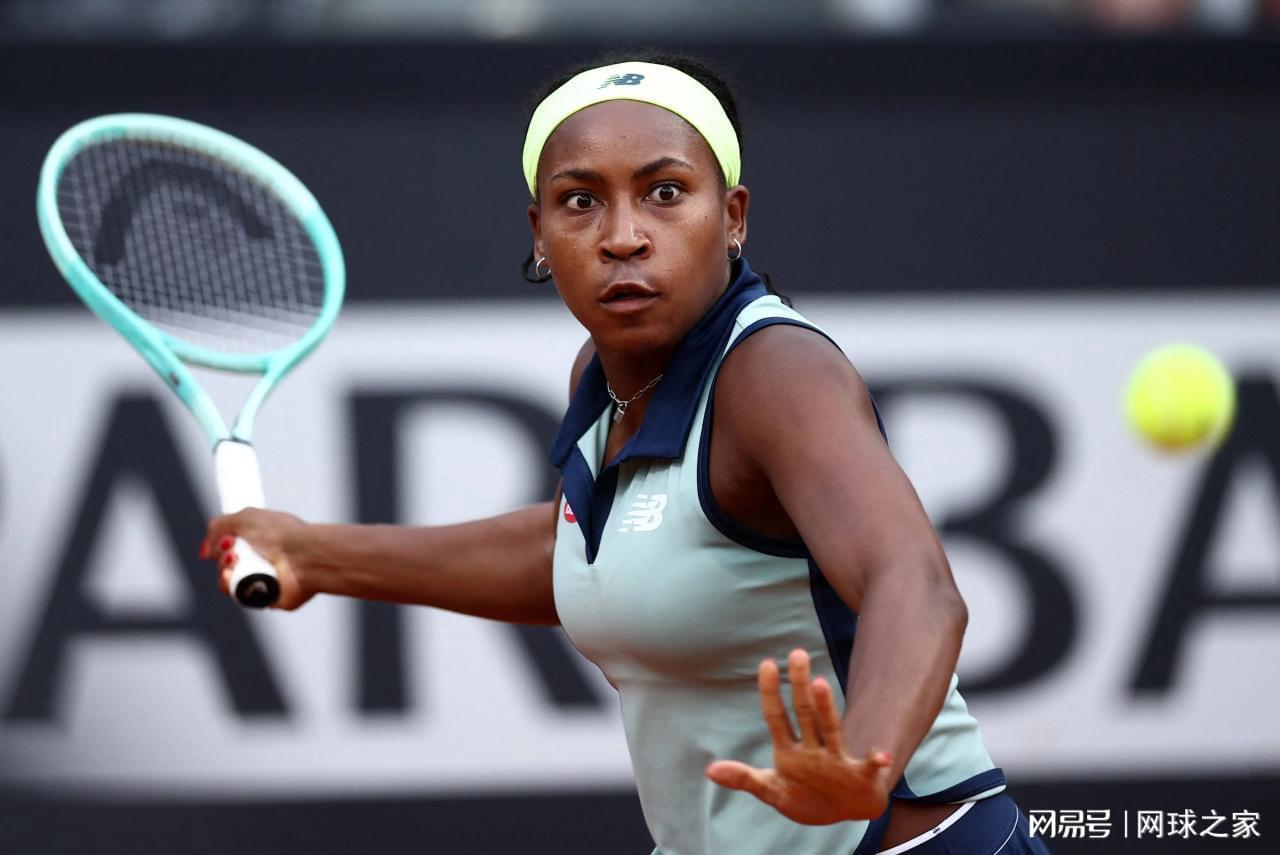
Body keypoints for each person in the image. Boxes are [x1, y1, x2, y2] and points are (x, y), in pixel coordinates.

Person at [203, 52, 1050, 855]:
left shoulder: (776, 373)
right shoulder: (602, 377)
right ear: (540, 233)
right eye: (581, 201)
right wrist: (316, 552)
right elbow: (591, 550)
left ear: (733, 217)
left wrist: (863, 759)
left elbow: (914, 581)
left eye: (665, 193)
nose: (623, 236)